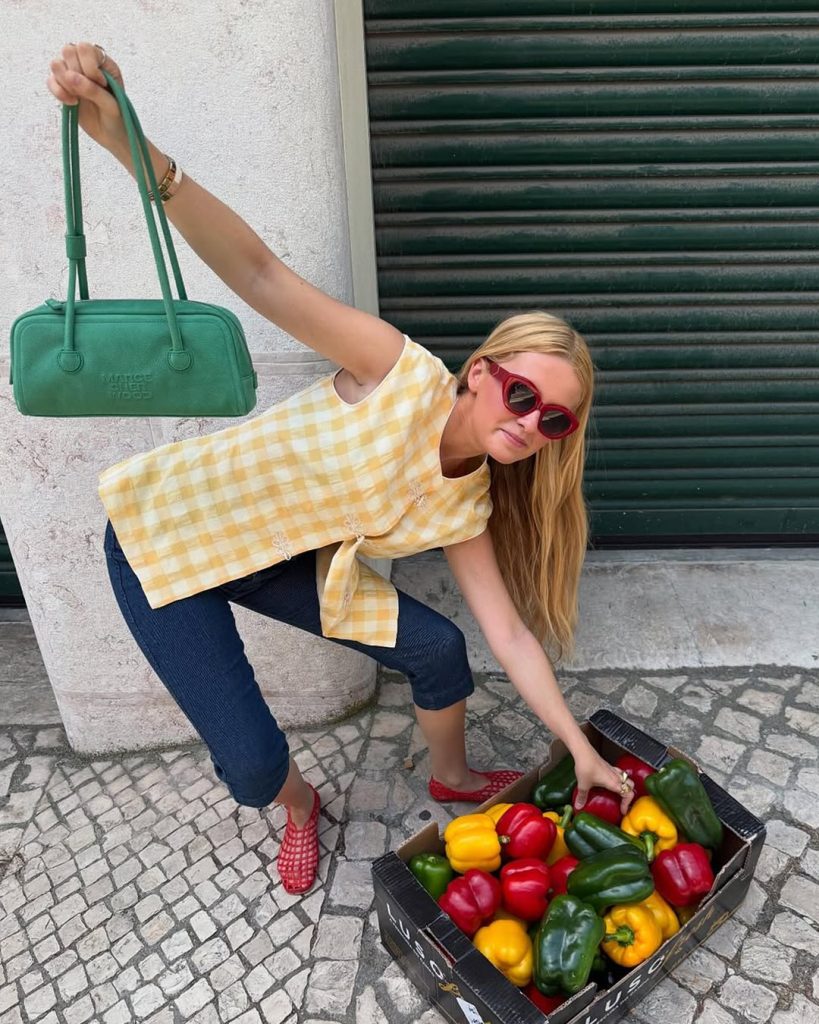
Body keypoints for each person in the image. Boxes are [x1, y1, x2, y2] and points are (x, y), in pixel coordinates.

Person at [46, 43, 636, 896]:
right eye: (520, 393)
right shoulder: (394, 369)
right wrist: (133, 148)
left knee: (440, 648)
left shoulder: (467, 504)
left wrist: (577, 749)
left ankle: (450, 776)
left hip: (274, 560)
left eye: (552, 418)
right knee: (253, 768)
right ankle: (300, 807)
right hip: (162, 541)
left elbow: (508, 635)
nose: (527, 420)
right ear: (480, 372)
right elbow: (259, 273)